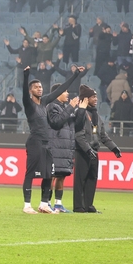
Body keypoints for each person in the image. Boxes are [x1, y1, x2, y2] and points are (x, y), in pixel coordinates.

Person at [21, 63, 85, 214]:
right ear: (31, 91)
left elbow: (60, 89)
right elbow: (24, 92)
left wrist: (76, 75)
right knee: (30, 174)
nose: (40, 88)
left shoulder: (44, 102)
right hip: (35, 142)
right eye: (36, 87)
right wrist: (26, 76)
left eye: (41, 86)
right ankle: (27, 205)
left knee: (49, 174)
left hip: (47, 143)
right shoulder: (29, 104)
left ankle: (44, 204)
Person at [73, 85, 122, 213]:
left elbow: (103, 135)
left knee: (92, 179)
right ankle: (78, 206)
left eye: (96, 96)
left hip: (94, 151)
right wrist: (88, 150)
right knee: (80, 180)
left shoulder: (96, 115)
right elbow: (78, 135)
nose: (96, 99)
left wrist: (114, 148)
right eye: (93, 96)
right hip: (83, 152)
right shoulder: (81, 113)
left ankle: (89, 205)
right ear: (86, 99)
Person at [46, 85, 87, 214]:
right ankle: (46, 203)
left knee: (61, 175)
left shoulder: (64, 108)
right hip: (55, 146)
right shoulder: (51, 106)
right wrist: (70, 107)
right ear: (57, 93)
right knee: (51, 176)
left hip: (65, 147)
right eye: (65, 91)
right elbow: (56, 122)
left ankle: (58, 204)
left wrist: (81, 110)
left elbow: (78, 125)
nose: (67, 93)